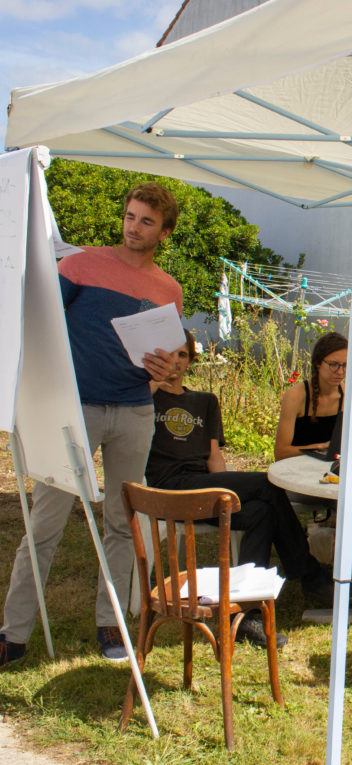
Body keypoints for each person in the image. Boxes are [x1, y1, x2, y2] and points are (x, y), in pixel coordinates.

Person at [2, 183, 181, 668]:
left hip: (134, 413)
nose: (133, 227)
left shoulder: (169, 290)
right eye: (129, 216)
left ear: (164, 232)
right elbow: (32, 323)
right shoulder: (78, 266)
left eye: (146, 221)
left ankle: (111, 623)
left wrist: (171, 371)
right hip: (73, 410)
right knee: (45, 523)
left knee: (123, 523)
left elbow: (173, 361)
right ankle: (13, 633)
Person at [145, 333, 350, 648]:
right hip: (167, 488)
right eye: (170, 354)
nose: (176, 362)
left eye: (183, 355)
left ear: (190, 360)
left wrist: (228, 496)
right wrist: (150, 385)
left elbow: (214, 458)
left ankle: (244, 616)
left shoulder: (206, 401)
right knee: (267, 482)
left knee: (260, 512)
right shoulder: (144, 399)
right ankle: (307, 571)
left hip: (200, 485)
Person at [274, 332, 348, 460]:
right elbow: (281, 452)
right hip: (295, 469)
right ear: (318, 363)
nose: (340, 372)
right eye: (333, 365)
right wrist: (318, 447)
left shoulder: (347, 395)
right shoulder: (296, 396)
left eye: (345, 365)